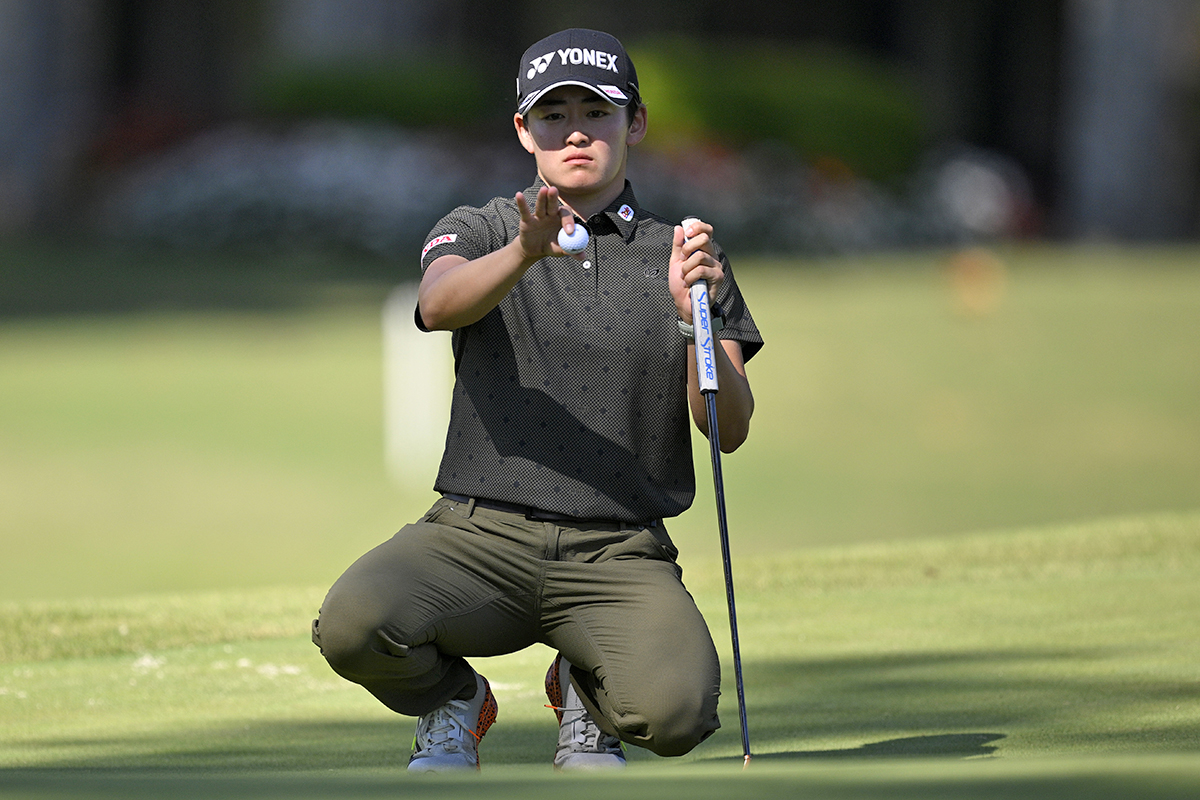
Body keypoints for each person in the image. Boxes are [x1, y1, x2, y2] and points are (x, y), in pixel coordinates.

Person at [312, 27, 763, 772]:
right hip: (479, 537)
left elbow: (729, 429)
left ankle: (586, 690)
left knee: (676, 715)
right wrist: (525, 250)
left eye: (598, 111)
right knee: (354, 624)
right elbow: (437, 305)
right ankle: (454, 699)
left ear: (636, 123)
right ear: (524, 129)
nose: (577, 130)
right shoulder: (486, 227)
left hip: (618, 549)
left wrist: (694, 318)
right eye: (554, 115)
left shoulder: (685, 252)